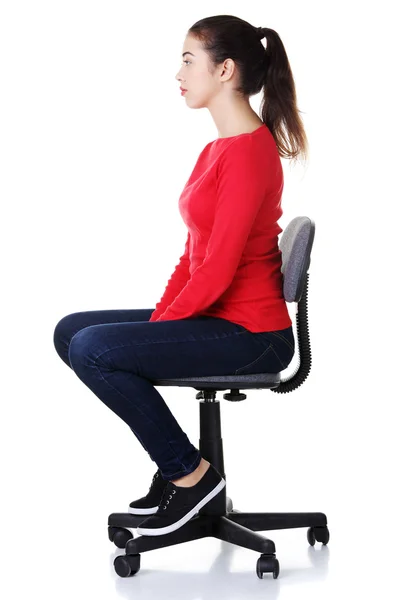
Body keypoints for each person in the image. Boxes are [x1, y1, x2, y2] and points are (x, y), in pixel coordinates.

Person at [53, 14, 307, 537]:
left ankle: (190, 477)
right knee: (72, 331)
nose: (179, 74)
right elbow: (193, 257)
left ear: (225, 70)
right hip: (220, 318)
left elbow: (217, 270)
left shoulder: (251, 154)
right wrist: (161, 322)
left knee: (93, 349)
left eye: (189, 60)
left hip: (254, 336)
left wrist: (155, 330)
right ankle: (181, 468)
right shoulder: (217, 149)